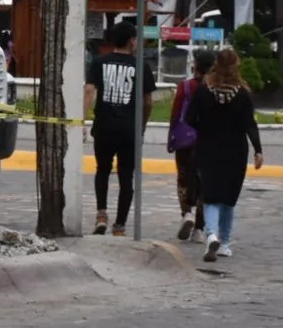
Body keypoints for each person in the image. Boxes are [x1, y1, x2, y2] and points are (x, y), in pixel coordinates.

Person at [186, 47, 265, 262]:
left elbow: (190, 118)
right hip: (235, 150)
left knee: (210, 195)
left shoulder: (204, 90)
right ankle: (225, 243)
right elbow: (250, 124)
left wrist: (206, 125)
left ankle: (211, 234)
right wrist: (258, 150)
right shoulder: (243, 93)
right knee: (228, 199)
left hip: (208, 147)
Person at [84, 20, 156, 237]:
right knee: (126, 177)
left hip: (104, 127)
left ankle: (101, 215)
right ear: (132, 40)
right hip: (129, 130)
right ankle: (120, 225)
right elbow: (149, 102)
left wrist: (81, 122)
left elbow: (89, 91)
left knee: (102, 171)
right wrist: (140, 127)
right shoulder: (141, 66)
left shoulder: (98, 62)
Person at [167, 49, 216, 241]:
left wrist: (172, 135)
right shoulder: (215, 88)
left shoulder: (185, 87)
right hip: (208, 141)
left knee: (184, 178)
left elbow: (176, 112)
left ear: (194, 66)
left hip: (185, 141)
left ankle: (186, 213)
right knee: (205, 184)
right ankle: (199, 229)